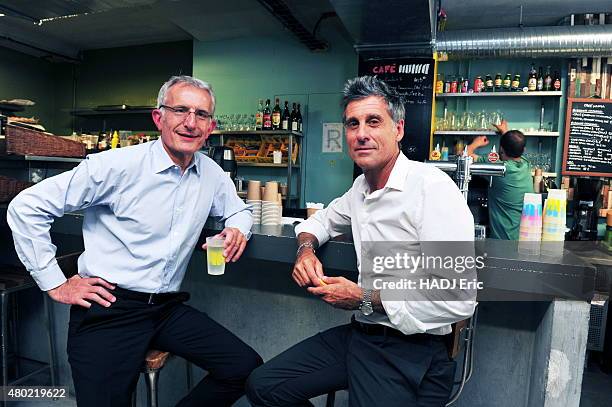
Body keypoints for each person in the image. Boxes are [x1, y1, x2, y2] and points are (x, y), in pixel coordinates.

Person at [7, 75, 262, 407]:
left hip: (164, 309)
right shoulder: (115, 166)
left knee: (243, 368)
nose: (190, 122)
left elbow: (240, 210)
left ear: (210, 126)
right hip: (109, 308)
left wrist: (238, 228)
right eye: (180, 110)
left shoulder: (211, 173)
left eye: (201, 115)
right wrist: (54, 282)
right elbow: (26, 207)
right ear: (159, 117)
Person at [246, 76, 476, 406]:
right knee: (264, 385)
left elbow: (458, 298)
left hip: (411, 349)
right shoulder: (360, 190)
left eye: (373, 121)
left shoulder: (431, 188)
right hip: (363, 335)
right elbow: (319, 222)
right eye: (353, 124)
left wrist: (364, 296)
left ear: (398, 129)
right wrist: (306, 250)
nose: (362, 133)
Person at [467, 121, 534, 240]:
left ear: (501, 149)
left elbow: (465, 156)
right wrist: (505, 132)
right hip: (524, 238)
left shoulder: (498, 169)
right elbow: (514, 146)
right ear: (523, 150)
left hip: (502, 241)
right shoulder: (526, 164)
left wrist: (474, 143)